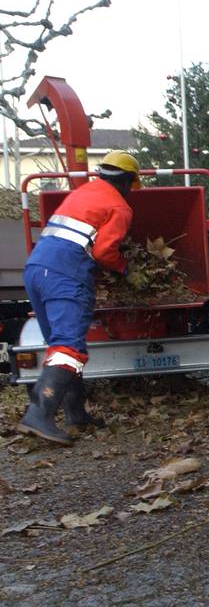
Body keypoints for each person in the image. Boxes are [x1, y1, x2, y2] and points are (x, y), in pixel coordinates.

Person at [18, 151, 141, 446]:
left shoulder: (83, 192)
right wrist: (125, 268)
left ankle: (76, 413)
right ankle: (38, 414)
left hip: (37, 269)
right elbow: (102, 252)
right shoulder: (119, 206)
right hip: (65, 274)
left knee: (60, 345)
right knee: (68, 348)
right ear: (126, 181)